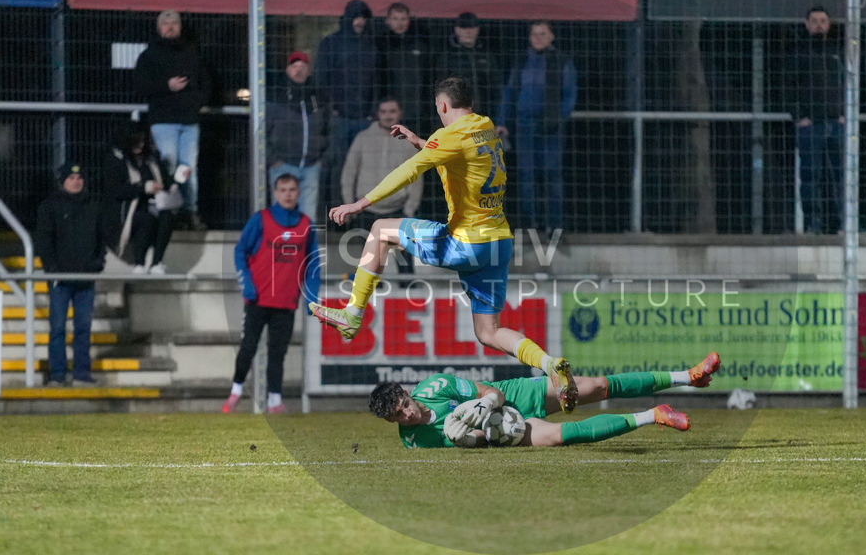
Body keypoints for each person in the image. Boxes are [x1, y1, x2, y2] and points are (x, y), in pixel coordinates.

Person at [309, 76, 581, 413]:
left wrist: (358, 204)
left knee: (379, 229)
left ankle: (352, 315)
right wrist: (420, 141)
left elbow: (408, 172)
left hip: (464, 242)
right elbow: (458, 153)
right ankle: (549, 364)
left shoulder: (449, 135)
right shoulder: (485, 126)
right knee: (488, 331)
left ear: (442, 105)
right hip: (497, 243)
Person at [369, 352, 721, 448]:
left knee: (598, 387)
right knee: (559, 436)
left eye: (404, 404)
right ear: (391, 421)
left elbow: (491, 393)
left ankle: (687, 376)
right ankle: (654, 415)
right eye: (399, 416)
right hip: (502, 431)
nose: (407, 414)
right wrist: (467, 439)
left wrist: (486, 404)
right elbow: (478, 441)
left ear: (407, 393)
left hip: (514, 394)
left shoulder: (436, 386)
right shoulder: (415, 441)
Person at [222, 174, 321, 414]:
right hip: (258, 299)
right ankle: (236, 389)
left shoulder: (306, 225)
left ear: (299, 193)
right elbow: (240, 251)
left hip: (286, 301)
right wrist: (247, 285)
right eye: (283, 190)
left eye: (292, 189)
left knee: (278, 353)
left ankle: (275, 400)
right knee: (248, 346)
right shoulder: (261, 219)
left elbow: (313, 264)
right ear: (275, 193)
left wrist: (311, 298)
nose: (288, 194)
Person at [34, 163, 116, 386]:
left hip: (85, 278)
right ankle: (58, 374)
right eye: (71, 178)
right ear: (63, 181)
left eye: (79, 178)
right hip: (60, 279)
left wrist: (97, 264)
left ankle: (81, 373)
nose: (76, 182)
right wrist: (51, 269)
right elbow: (43, 239)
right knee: (58, 327)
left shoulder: (94, 206)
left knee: (83, 328)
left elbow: (101, 239)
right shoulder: (49, 206)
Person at [495, 20, 578, 239]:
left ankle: (555, 225)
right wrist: (502, 121)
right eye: (534, 34)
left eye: (543, 34)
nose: (538, 38)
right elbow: (510, 92)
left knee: (552, 175)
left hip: (551, 126)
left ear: (552, 36)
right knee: (527, 176)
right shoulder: (522, 61)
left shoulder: (562, 61)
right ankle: (530, 224)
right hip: (524, 125)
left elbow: (569, 94)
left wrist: (559, 118)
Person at [133, 9, 211, 231]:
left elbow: (206, 83)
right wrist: (167, 86)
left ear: (180, 26)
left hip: (189, 121)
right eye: (166, 23)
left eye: (174, 23)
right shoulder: (149, 56)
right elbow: (140, 86)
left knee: (188, 169)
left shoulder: (192, 53)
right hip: (163, 121)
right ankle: (168, 212)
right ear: (159, 28)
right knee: (167, 166)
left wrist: (196, 102)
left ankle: (189, 211)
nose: (170, 27)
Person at [341, 97, 422, 279]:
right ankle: (370, 296)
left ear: (400, 113)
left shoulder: (408, 141)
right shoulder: (363, 138)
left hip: (398, 209)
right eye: (384, 111)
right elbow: (349, 172)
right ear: (378, 114)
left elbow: (417, 177)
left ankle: (409, 292)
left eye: (392, 111)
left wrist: (410, 208)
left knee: (405, 264)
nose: (387, 116)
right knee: (368, 265)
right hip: (367, 210)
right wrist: (349, 203)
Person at [314, 0, 379, 217]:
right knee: (338, 167)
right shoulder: (331, 43)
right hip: (340, 118)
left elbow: (378, 81)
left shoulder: (371, 45)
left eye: (363, 18)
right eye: (356, 17)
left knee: (364, 168)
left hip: (365, 119)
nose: (359, 22)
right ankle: (335, 214)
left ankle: (360, 215)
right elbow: (320, 79)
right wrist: (331, 108)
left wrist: (373, 111)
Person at [784, 5, 844, 234]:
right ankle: (813, 224)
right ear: (807, 24)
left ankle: (843, 223)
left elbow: (848, 84)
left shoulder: (838, 53)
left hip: (837, 124)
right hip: (811, 126)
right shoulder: (798, 54)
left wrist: (844, 114)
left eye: (823, 21)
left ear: (829, 24)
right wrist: (799, 117)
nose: (819, 25)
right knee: (811, 176)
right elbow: (787, 88)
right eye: (815, 21)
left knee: (842, 177)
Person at [103, 123, 183, 275]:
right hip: (128, 208)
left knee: (166, 218)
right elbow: (116, 191)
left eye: (142, 141)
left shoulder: (151, 158)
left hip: (155, 204)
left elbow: (165, 181)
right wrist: (144, 187)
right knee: (146, 219)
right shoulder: (116, 160)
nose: (140, 145)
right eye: (136, 141)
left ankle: (156, 262)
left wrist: (177, 178)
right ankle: (139, 262)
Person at [267, 51, 330, 220]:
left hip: (311, 167)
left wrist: (321, 160)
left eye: (303, 66)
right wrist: (273, 160)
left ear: (309, 70)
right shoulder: (277, 97)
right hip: (283, 166)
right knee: (282, 217)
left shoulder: (319, 98)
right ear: (287, 70)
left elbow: (329, 130)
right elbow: (263, 132)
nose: (298, 70)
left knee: (308, 219)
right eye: (294, 66)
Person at [377, 3, 430, 133]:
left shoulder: (420, 43)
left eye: (403, 19)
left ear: (409, 20)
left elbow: (427, 77)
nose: (399, 23)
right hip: (390, 111)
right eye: (395, 19)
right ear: (388, 21)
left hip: (417, 110)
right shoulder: (380, 44)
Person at [436, 12, 501, 117]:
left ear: (477, 29)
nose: (468, 32)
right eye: (464, 27)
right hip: (456, 115)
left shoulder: (487, 55)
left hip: (484, 114)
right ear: (457, 30)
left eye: (471, 27)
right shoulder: (447, 56)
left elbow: (497, 86)